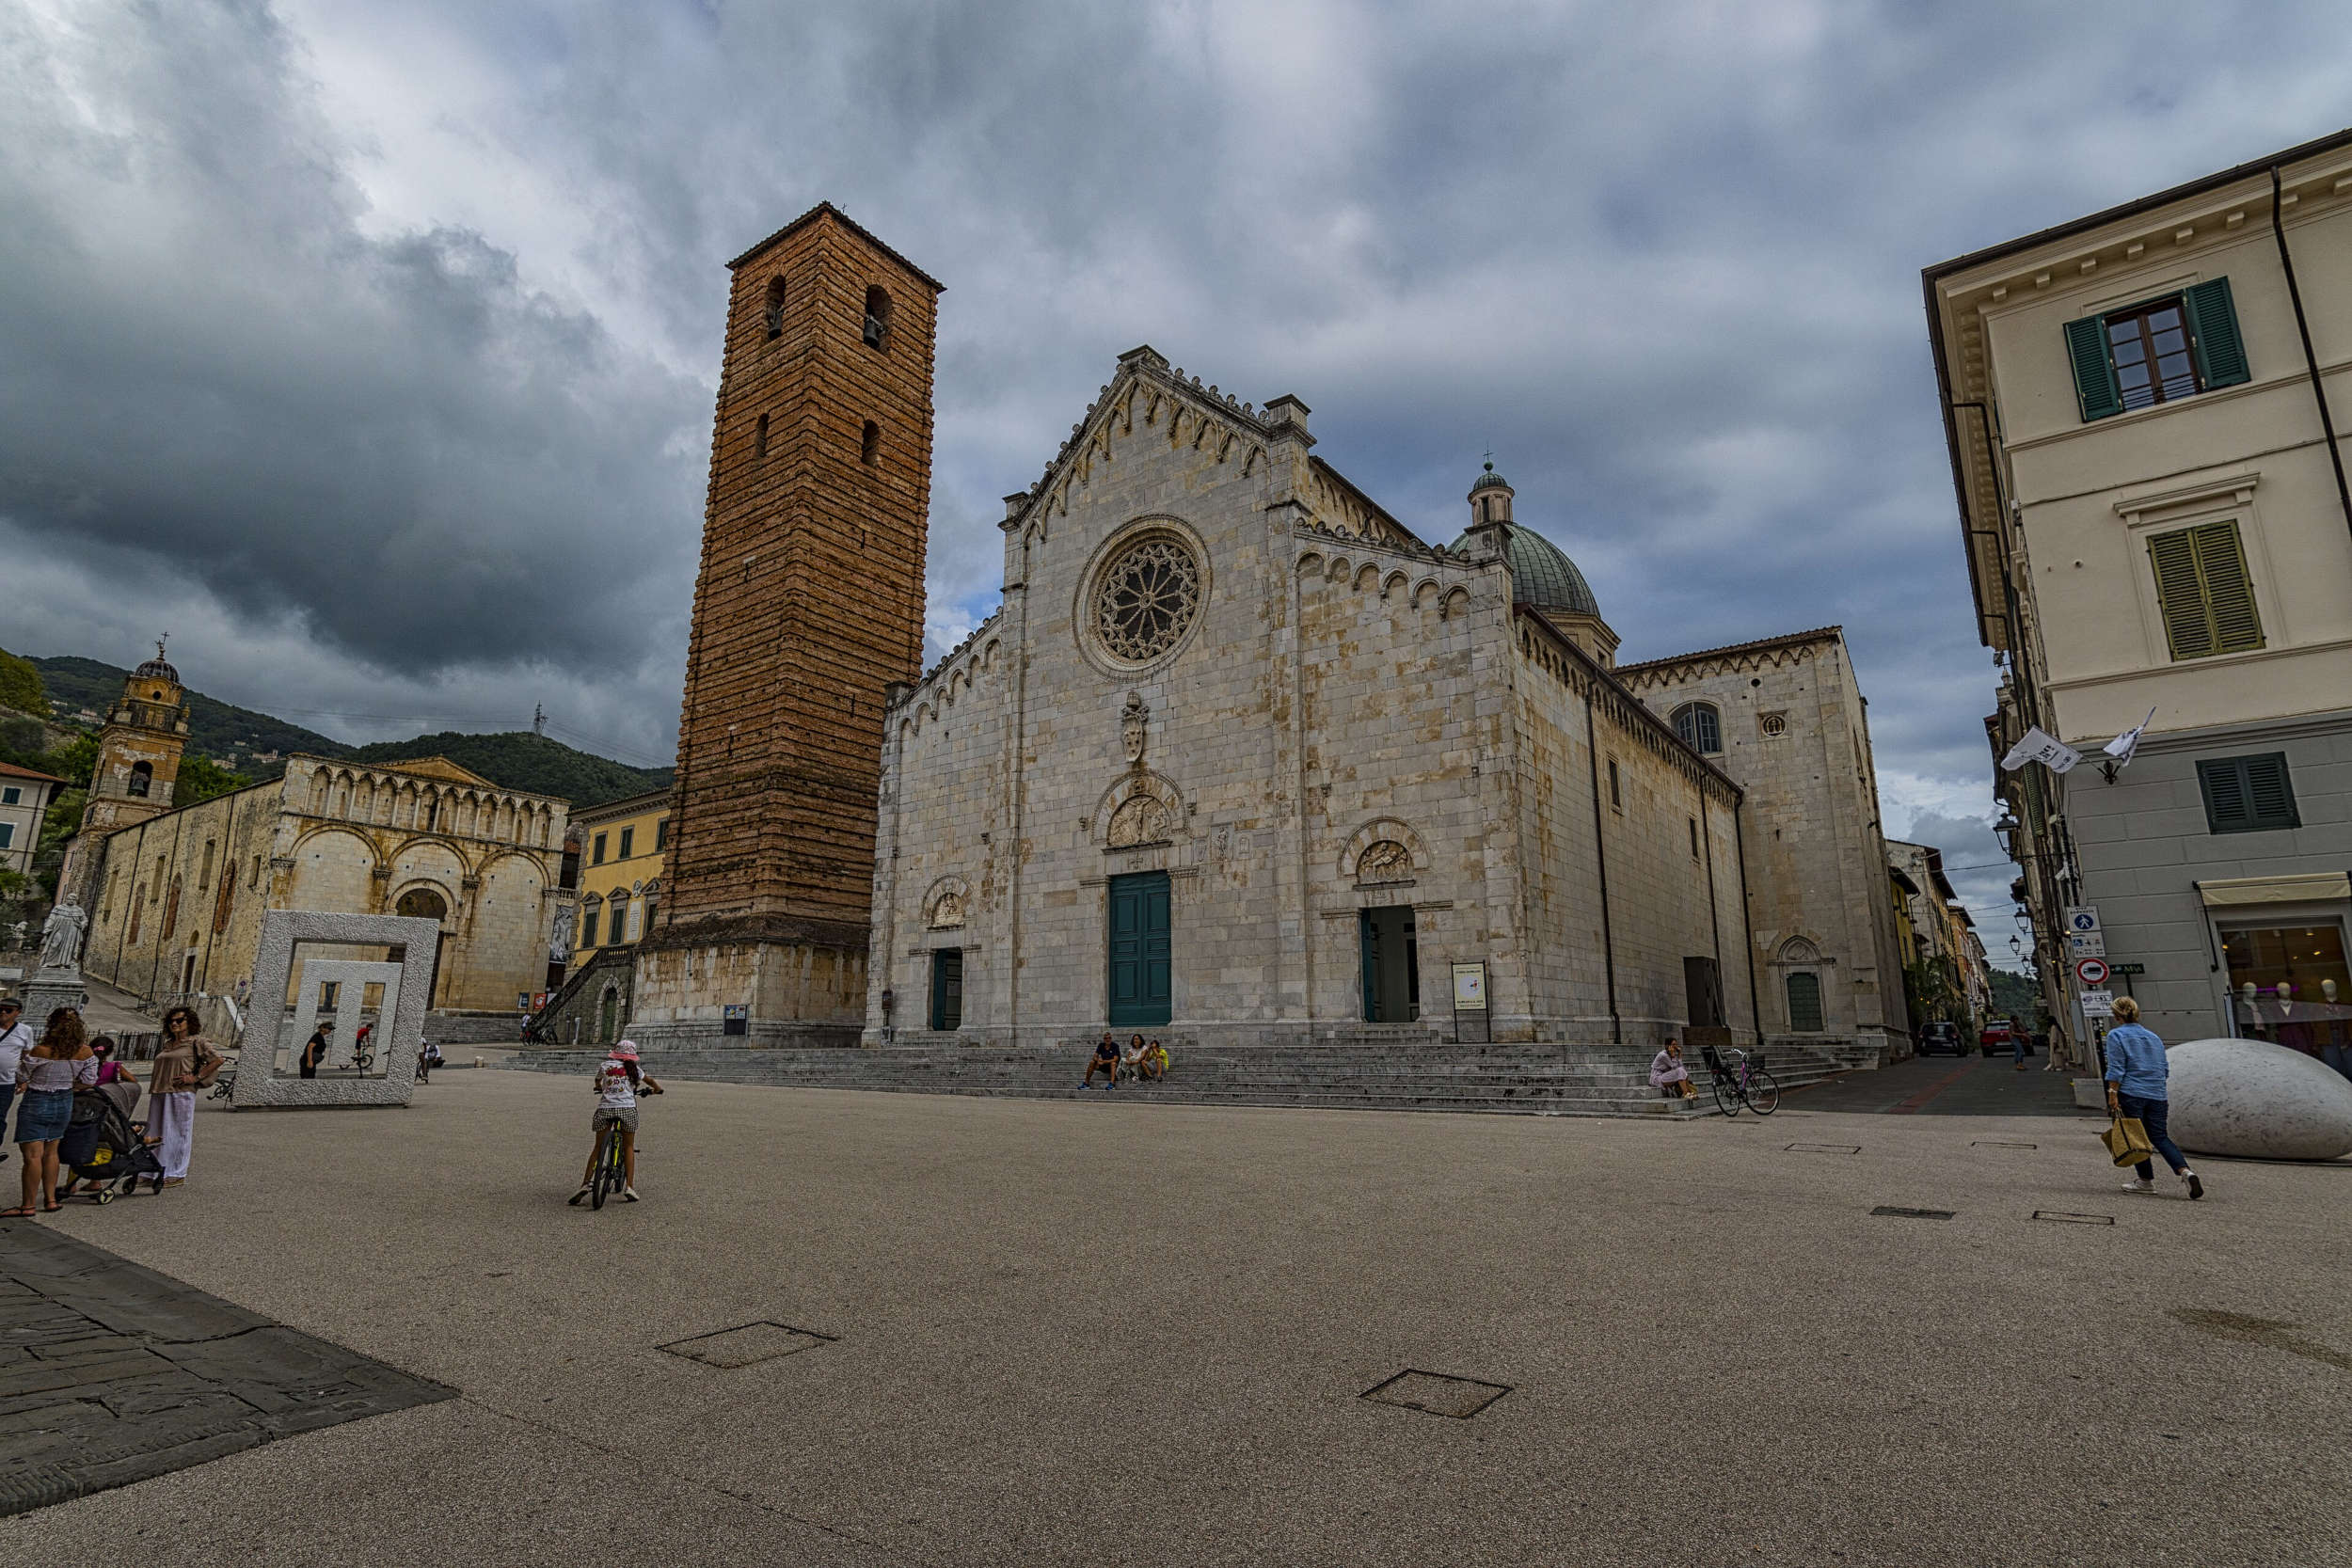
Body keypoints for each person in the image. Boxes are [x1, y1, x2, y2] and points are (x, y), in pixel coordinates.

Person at [2103, 997, 2202, 1200]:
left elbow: (2117, 1067)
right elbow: (2164, 1069)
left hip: (2131, 1093)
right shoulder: (2152, 1037)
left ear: (2116, 1015)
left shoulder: (2116, 1035)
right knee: (2159, 1136)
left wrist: (2113, 1093)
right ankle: (2186, 1172)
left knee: (2135, 1137)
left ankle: (2145, 1181)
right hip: (2157, 1094)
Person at [9, 1007, 97, 1216]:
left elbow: (22, 1075)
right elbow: (89, 1080)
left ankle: (28, 1205)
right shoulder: (85, 1052)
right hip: (64, 1100)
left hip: (38, 1100)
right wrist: (70, 1085)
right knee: (52, 1152)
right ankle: (50, 1200)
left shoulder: (41, 1051)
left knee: (32, 1156)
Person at [572, 1041, 660, 1204]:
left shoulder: (605, 1066)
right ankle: (629, 1187)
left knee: (598, 1147)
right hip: (627, 1109)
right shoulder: (635, 1069)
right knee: (628, 1146)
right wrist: (657, 1090)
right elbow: (651, 1082)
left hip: (605, 1109)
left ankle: (585, 1183)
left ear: (615, 1053)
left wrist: (599, 1086)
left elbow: (597, 1081)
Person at [146, 1006, 223, 1189]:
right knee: (156, 1131)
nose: (175, 1023)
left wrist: (195, 1077)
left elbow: (218, 1060)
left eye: (179, 1020)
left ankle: (176, 1172)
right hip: (160, 1090)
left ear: (189, 1023)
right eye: (172, 1021)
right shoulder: (169, 1044)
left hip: (181, 1092)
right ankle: (153, 1171)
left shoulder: (197, 1042)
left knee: (177, 1132)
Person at [0, 997, 28, 1167]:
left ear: (18, 1012)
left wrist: (22, 1080)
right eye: (0, 1009)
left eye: (8, 1010)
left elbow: (26, 1058)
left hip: (6, 1083)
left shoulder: (24, 1031)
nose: (3, 1012)